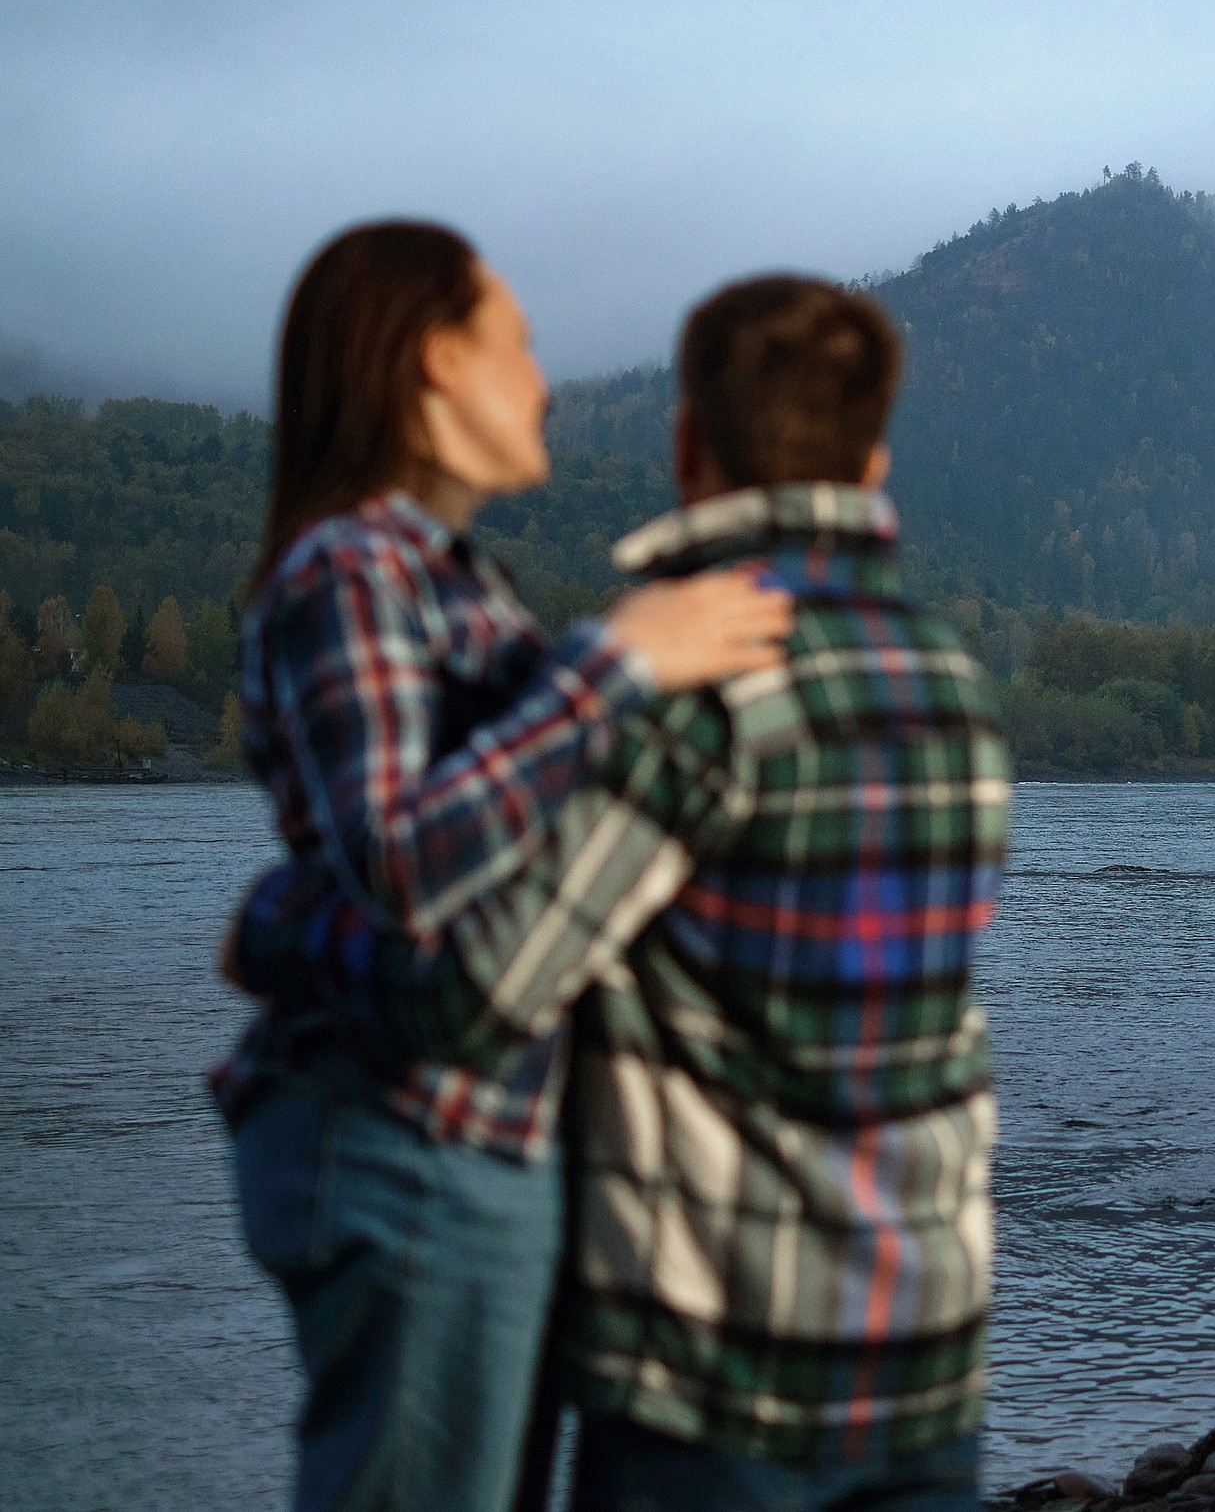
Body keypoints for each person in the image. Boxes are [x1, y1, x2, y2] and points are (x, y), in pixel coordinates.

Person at [235, 272, 1012, 1512]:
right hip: (928, 1348)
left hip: (720, 1370)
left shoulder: (697, 694)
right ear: (874, 460)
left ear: (686, 444)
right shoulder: (953, 686)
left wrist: (286, 924)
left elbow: (475, 998)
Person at [216, 220, 796, 1512]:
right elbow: (401, 854)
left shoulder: (451, 578)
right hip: (401, 1131)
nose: (543, 377)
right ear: (433, 360)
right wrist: (619, 659)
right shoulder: (350, 569)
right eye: (519, 343)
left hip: (472, 1131)